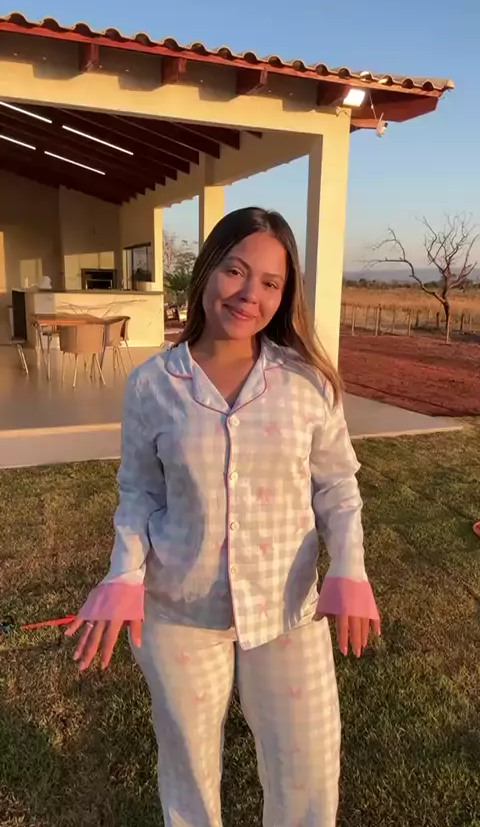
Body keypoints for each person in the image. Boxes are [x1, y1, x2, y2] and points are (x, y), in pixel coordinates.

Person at [67, 207, 380, 827]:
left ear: (285, 295)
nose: (248, 293)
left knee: (308, 774)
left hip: (288, 610)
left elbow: (337, 485)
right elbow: (139, 491)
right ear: (207, 269)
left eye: (270, 282)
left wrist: (350, 566)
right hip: (180, 612)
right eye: (235, 270)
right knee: (187, 771)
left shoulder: (308, 383)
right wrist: (124, 573)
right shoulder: (153, 384)